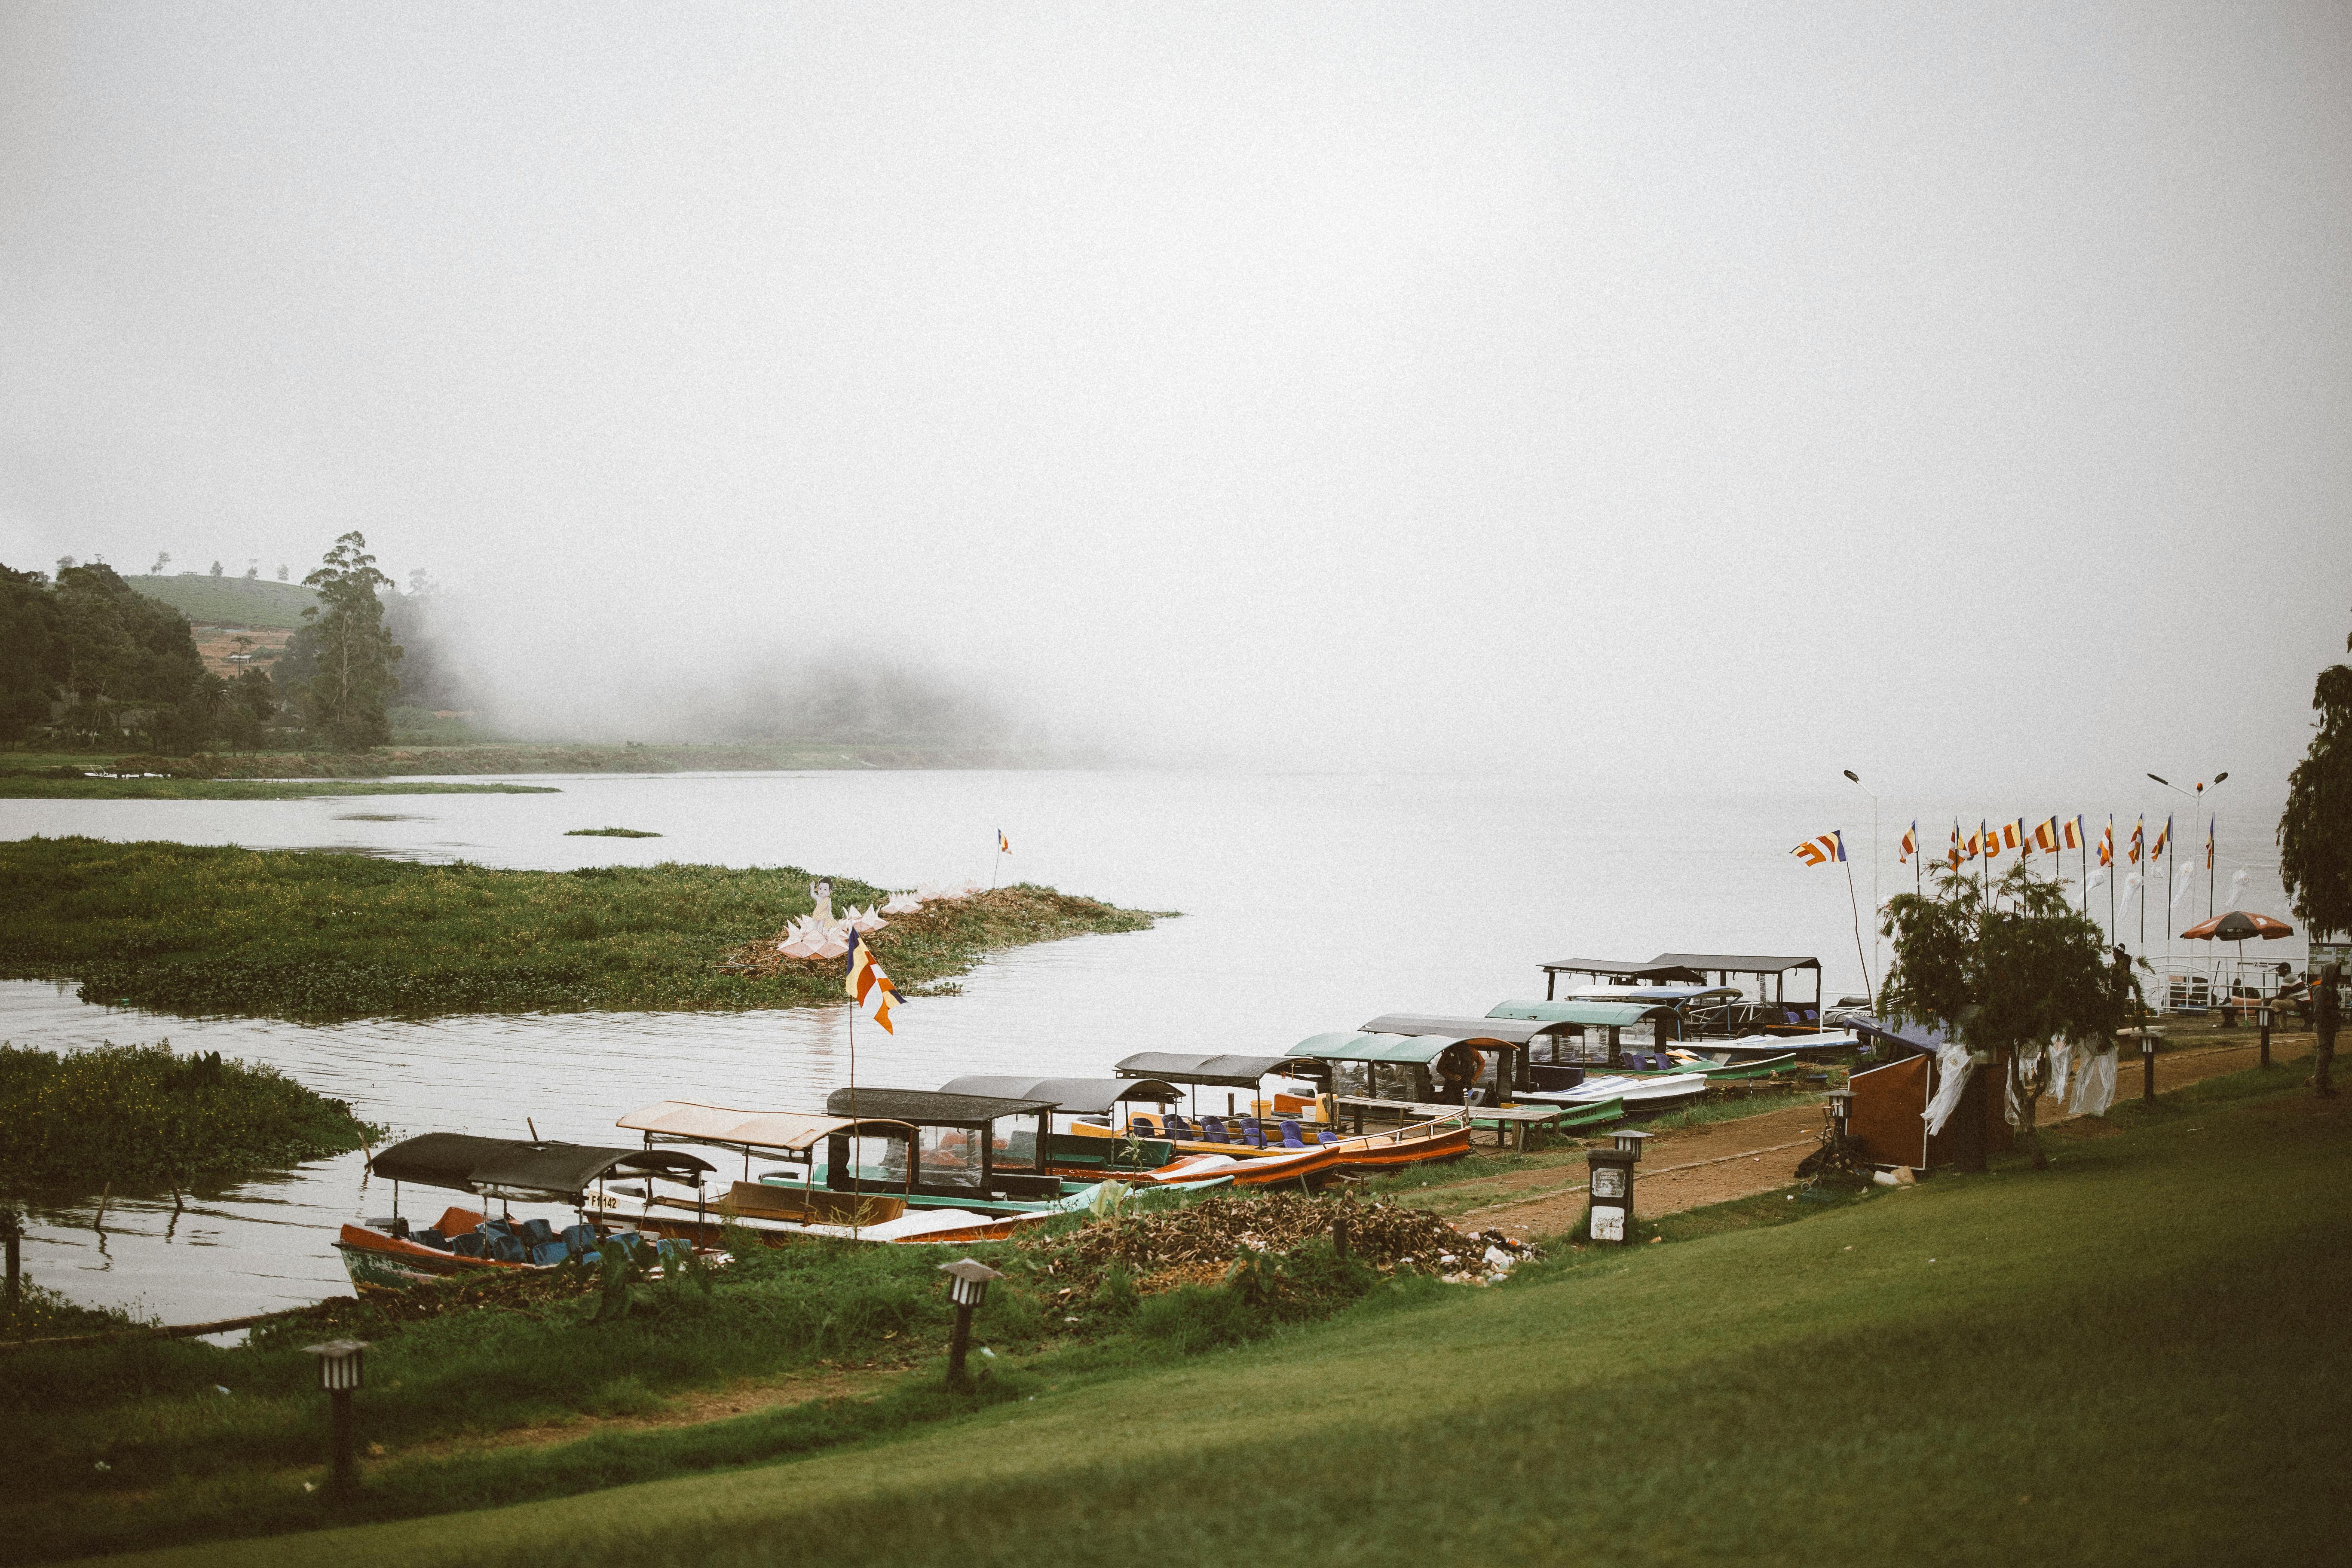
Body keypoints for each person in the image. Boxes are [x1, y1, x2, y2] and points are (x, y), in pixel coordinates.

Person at [2315, 963, 2340, 1099]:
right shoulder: (2322, 989)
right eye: (2336, 973)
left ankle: (2325, 1084)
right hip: (2325, 1027)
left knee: (2328, 1056)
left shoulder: (2331, 989)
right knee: (2323, 1056)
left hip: (2330, 1027)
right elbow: (2318, 1011)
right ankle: (2320, 1087)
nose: (2339, 976)